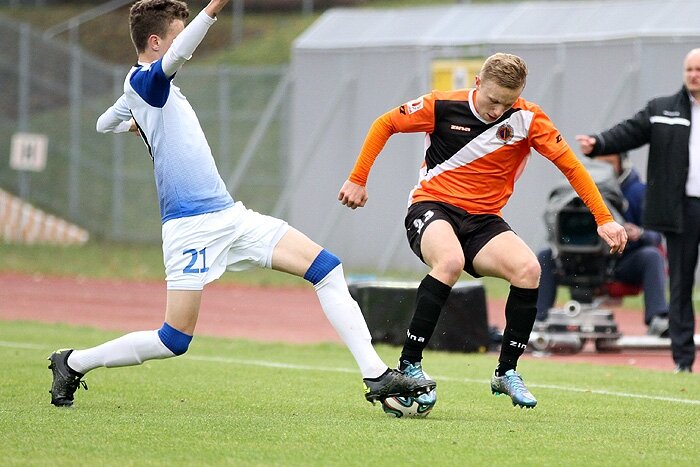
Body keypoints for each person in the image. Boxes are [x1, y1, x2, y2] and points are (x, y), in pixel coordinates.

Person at [47, 0, 435, 408]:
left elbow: (102, 123)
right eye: (178, 35)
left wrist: (134, 124)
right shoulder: (145, 82)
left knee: (326, 268)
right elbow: (172, 61)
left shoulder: (152, 92)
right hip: (190, 229)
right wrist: (215, 7)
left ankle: (376, 375)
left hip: (230, 217)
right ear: (156, 42)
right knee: (174, 339)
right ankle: (72, 362)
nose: (184, 45)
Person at [338, 53, 627, 409]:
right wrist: (358, 178)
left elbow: (572, 167)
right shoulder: (441, 106)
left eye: (508, 103)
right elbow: (385, 123)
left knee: (528, 270)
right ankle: (409, 364)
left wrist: (603, 218)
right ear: (477, 83)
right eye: (493, 100)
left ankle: (506, 372)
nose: (497, 111)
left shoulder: (528, 119)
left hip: (484, 220)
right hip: (432, 206)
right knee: (449, 262)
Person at [577, 48, 700, 373]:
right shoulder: (662, 110)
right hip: (682, 210)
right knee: (681, 284)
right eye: (689, 69)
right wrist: (599, 143)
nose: (693, 75)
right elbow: (629, 131)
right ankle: (683, 361)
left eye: (699, 70)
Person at [536, 152, 669, 336]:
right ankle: (537, 320)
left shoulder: (638, 192)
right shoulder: (569, 190)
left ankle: (658, 319)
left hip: (617, 262)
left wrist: (637, 233)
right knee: (545, 256)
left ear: (623, 163)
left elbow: (656, 236)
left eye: (609, 163)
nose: (604, 169)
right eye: (598, 164)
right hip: (575, 260)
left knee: (651, 256)